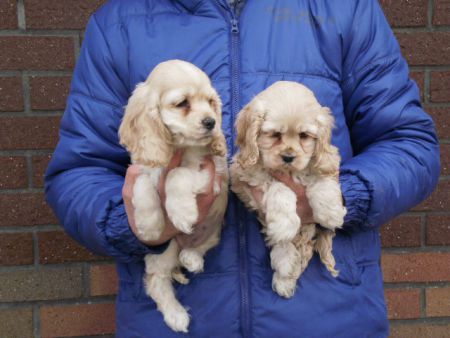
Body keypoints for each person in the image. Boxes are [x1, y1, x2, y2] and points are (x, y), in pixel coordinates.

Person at [44, 0, 440, 337]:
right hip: (174, 320)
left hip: (327, 317)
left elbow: (410, 145)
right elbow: (78, 171)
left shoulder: (343, 9)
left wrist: (336, 196)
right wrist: (132, 224)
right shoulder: (119, 25)